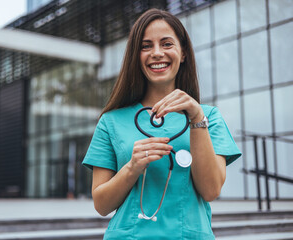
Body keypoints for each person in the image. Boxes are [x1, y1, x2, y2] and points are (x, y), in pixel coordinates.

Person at [82, 8, 241, 240]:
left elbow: (210, 190)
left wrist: (196, 117)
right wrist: (132, 167)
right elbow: (101, 204)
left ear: (183, 53)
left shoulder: (208, 118)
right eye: (146, 46)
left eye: (167, 44)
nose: (157, 53)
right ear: (136, 56)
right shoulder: (111, 122)